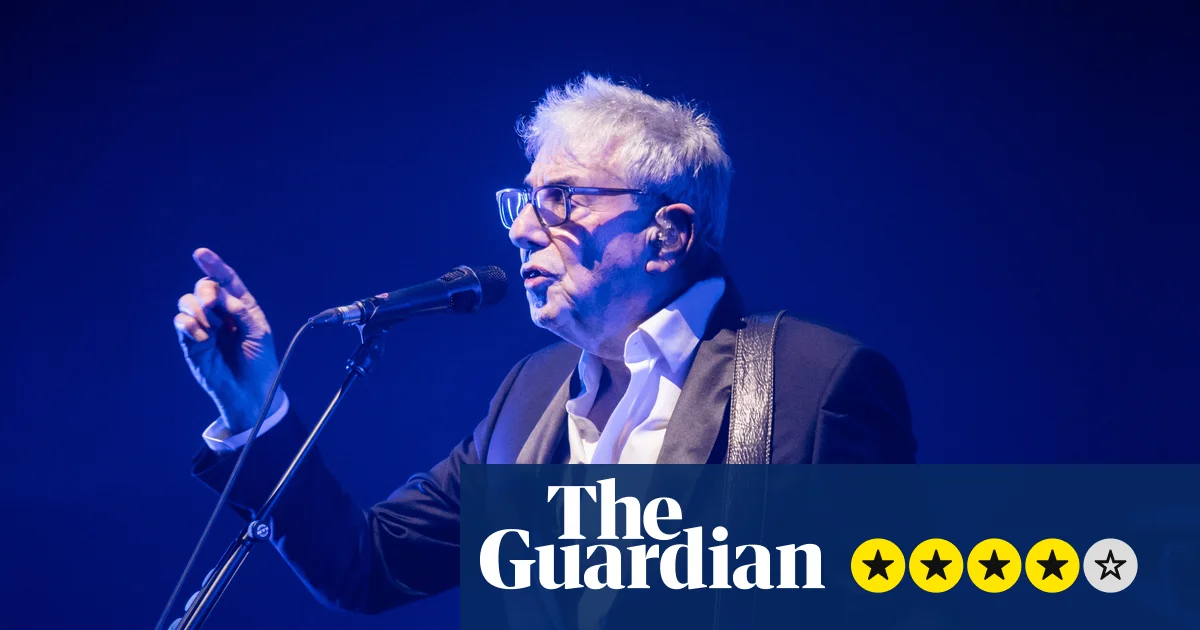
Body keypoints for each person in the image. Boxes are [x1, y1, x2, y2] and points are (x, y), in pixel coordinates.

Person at [173, 74, 916, 614]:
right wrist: (253, 411)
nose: (525, 228)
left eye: (562, 198)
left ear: (667, 235)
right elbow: (367, 565)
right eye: (525, 201)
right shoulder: (529, 396)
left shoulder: (816, 383)